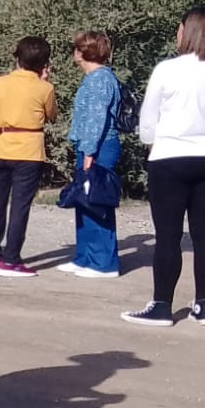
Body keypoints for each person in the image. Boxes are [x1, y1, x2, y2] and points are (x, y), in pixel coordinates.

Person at [121, 5, 205, 328]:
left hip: (171, 156)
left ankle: (162, 305)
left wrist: (161, 140)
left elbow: (147, 124)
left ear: (186, 32)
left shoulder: (167, 69)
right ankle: (203, 305)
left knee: (168, 236)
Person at [0, 36, 58, 277]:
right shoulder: (45, 88)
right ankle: (11, 259)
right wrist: (45, 83)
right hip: (29, 151)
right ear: (44, 63)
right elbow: (52, 115)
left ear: (16, 58)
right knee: (20, 206)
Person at [60, 30, 125, 279]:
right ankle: (85, 256)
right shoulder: (93, 78)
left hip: (98, 147)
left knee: (97, 202)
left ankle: (103, 262)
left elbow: (96, 120)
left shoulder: (100, 80)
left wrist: (89, 152)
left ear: (83, 52)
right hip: (89, 146)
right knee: (84, 200)